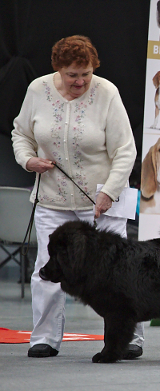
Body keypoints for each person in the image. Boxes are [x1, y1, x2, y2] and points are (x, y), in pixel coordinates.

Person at [11, 35, 144, 358]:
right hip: (52, 201)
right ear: (58, 69)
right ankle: (44, 337)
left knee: (119, 273)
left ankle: (128, 339)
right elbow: (21, 134)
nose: (80, 81)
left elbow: (125, 151)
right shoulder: (37, 90)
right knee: (46, 267)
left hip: (102, 202)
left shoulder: (107, 93)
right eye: (72, 75)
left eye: (86, 73)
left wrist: (110, 192)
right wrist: (28, 160)